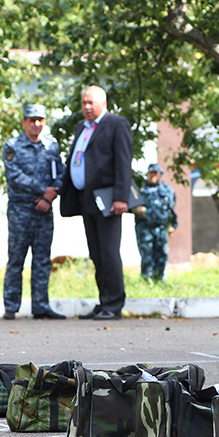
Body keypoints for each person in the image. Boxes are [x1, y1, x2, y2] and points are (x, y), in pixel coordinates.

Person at [59, 86, 133, 320]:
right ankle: (104, 302)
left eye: (91, 102)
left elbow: (123, 162)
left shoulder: (116, 124)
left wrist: (122, 197)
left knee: (109, 253)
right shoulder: (82, 127)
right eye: (84, 103)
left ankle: (114, 304)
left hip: (109, 200)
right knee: (97, 253)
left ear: (104, 102)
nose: (87, 107)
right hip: (87, 200)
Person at [1, 104, 66, 320]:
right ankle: (11, 306)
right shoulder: (12, 146)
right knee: (16, 258)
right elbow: (14, 176)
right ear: (24, 122)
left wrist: (49, 196)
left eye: (40, 120)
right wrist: (41, 190)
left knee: (42, 259)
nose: (36, 124)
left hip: (44, 209)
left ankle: (40, 305)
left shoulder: (51, 146)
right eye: (31, 120)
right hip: (21, 209)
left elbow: (60, 174)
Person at [134, 163, 177, 282]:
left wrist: (173, 225)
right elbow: (131, 207)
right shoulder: (141, 190)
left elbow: (171, 209)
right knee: (147, 254)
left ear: (159, 175)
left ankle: (160, 277)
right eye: (151, 173)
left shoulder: (167, 191)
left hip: (161, 227)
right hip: (145, 227)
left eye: (155, 173)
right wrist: (136, 209)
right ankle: (147, 278)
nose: (152, 175)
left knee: (161, 253)